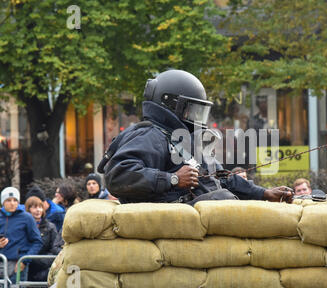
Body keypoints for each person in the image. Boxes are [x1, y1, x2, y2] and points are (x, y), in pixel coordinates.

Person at [101, 69, 293, 205]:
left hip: (200, 217)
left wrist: (264, 193)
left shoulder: (183, 139)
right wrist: (173, 179)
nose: (196, 117)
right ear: (171, 105)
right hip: (174, 220)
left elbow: (221, 178)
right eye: (192, 109)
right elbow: (117, 176)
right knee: (221, 201)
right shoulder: (150, 135)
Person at [0, 187, 43, 288]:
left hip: (18, 265)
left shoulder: (27, 218)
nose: (12, 203)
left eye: (15, 200)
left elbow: (37, 241)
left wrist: (24, 261)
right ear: (3, 202)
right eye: (8, 200)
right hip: (1, 263)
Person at [25, 196, 63, 281]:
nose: (38, 210)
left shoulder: (50, 227)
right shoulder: (23, 226)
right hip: (26, 265)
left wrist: (41, 260)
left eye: (40, 207)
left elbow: (54, 247)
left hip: (43, 267)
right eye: (35, 207)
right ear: (28, 209)